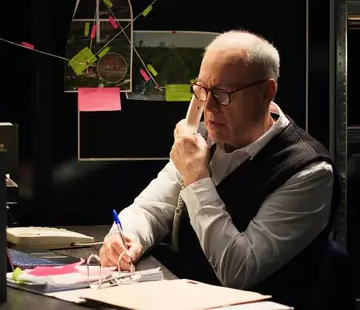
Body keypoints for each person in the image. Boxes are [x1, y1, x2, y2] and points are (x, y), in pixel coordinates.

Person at [99, 30, 340, 308]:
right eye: (202, 90)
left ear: (267, 92)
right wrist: (127, 235)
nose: (209, 107)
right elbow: (152, 208)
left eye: (223, 94)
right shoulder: (203, 139)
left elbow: (239, 271)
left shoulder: (309, 172)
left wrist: (197, 178)